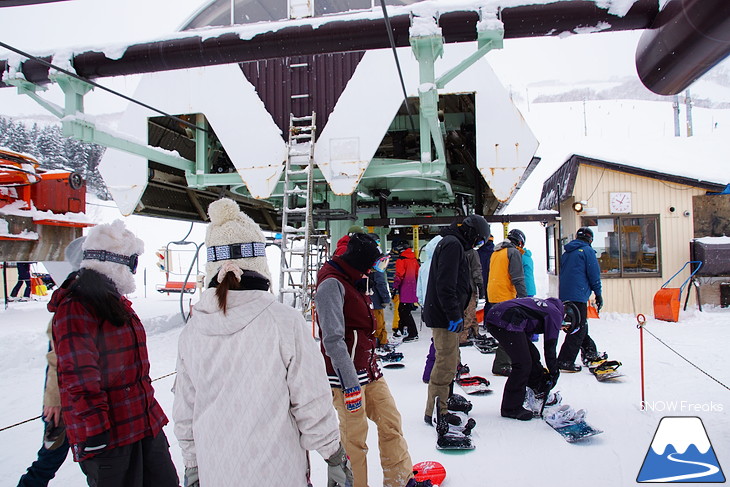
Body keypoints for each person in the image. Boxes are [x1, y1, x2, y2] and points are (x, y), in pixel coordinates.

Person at [173, 198, 350, 486]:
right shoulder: (284, 322)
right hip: (278, 472)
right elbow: (311, 401)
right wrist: (333, 454)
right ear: (259, 262)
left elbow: (185, 410)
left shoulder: (193, 330)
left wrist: (193, 465)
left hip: (215, 472)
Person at [50, 220, 178, 487]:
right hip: (111, 435)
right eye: (131, 263)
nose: (133, 272)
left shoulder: (112, 301)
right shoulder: (77, 307)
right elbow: (79, 377)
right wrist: (94, 431)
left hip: (142, 423)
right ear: (113, 263)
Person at [316, 233, 425, 487]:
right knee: (354, 441)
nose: (372, 273)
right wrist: (350, 384)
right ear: (359, 263)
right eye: (371, 266)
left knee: (391, 423)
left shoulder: (353, 279)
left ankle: (400, 480)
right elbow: (332, 339)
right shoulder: (331, 284)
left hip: (369, 370)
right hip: (348, 378)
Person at [18, 239, 84, 487]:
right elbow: (56, 356)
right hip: (65, 401)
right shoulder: (72, 298)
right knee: (50, 458)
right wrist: (54, 400)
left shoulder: (84, 293)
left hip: (78, 395)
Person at [422, 214, 491, 425]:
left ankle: (443, 404)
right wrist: (453, 314)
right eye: (478, 241)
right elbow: (446, 285)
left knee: (449, 362)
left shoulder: (453, 243)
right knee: (445, 364)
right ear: (471, 233)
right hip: (444, 317)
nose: (477, 246)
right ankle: (437, 411)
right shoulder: (453, 245)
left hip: (446, 314)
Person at [484, 297, 567, 420]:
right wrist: (554, 371)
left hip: (497, 315)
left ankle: (537, 389)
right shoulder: (555, 314)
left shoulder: (543, 306)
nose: (562, 328)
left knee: (532, 356)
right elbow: (550, 346)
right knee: (523, 364)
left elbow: (526, 339)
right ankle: (511, 408)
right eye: (565, 326)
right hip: (506, 318)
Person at [557, 227, 605, 372]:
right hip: (578, 296)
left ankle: (590, 352)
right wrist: (598, 294)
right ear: (590, 239)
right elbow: (594, 274)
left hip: (565, 295)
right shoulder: (587, 251)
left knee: (578, 325)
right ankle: (565, 360)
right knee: (578, 329)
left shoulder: (567, 253)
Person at [487, 228, 528, 376]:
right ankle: (502, 365)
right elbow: (517, 278)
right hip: (505, 296)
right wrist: (525, 300)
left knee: (505, 330)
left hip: (494, 296)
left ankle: (504, 362)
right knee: (509, 331)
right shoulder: (513, 252)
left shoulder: (496, 252)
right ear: (520, 242)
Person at [367, 234, 391, 348]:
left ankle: (377, 341)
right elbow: (380, 281)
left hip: (367, 296)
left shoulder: (364, 257)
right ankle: (379, 342)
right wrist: (385, 298)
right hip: (376, 298)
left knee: (372, 322)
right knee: (379, 322)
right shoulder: (377, 260)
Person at [393, 241, 420, 342]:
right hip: (412, 287)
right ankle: (402, 329)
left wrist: (395, 287)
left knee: (404, 311)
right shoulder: (414, 260)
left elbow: (399, 274)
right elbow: (417, 274)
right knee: (404, 309)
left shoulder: (401, 260)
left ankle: (413, 333)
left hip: (404, 288)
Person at [459, 247, 484, 346]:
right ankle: (462, 337)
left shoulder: (457, 250)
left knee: (470, 311)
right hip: (469, 287)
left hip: (459, 287)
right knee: (469, 312)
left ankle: (474, 331)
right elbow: (476, 270)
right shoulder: (472, 253)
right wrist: (480, 285)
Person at [387, 240, 408, 337]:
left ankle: (397, 326)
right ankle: (397, 327)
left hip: (392, 286)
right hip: (399, 286)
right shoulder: (401, 259)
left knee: (397, 307)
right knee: (399, 308)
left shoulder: (388, 258)